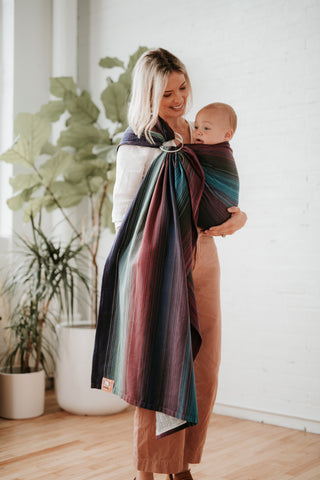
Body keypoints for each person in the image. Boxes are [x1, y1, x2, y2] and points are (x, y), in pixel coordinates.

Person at [111, 48, 247, 480]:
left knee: (203, 361)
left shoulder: (200, 132)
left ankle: (182, 462)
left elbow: (221, 190)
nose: (178, 99)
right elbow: (122, 219)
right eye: (166, 92)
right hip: (158, 263)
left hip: (203, 258)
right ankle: (150, 466)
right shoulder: (137, 145)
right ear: (148, 94)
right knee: (159, 364)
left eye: (183, 87)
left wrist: (238, 217)